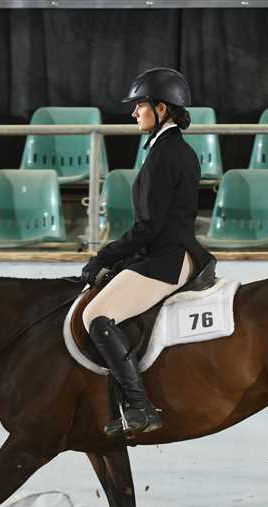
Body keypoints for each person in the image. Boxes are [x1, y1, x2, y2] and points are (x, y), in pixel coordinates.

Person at [80, 67, 216, 438]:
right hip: (164, 251)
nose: (133, 113)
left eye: (139, 106)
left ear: (161, 108)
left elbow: (148, 227)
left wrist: (105, 256)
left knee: (96, 316)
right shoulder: (167, 150)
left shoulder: (166, 155)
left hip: (166, 259)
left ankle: (140, 406)